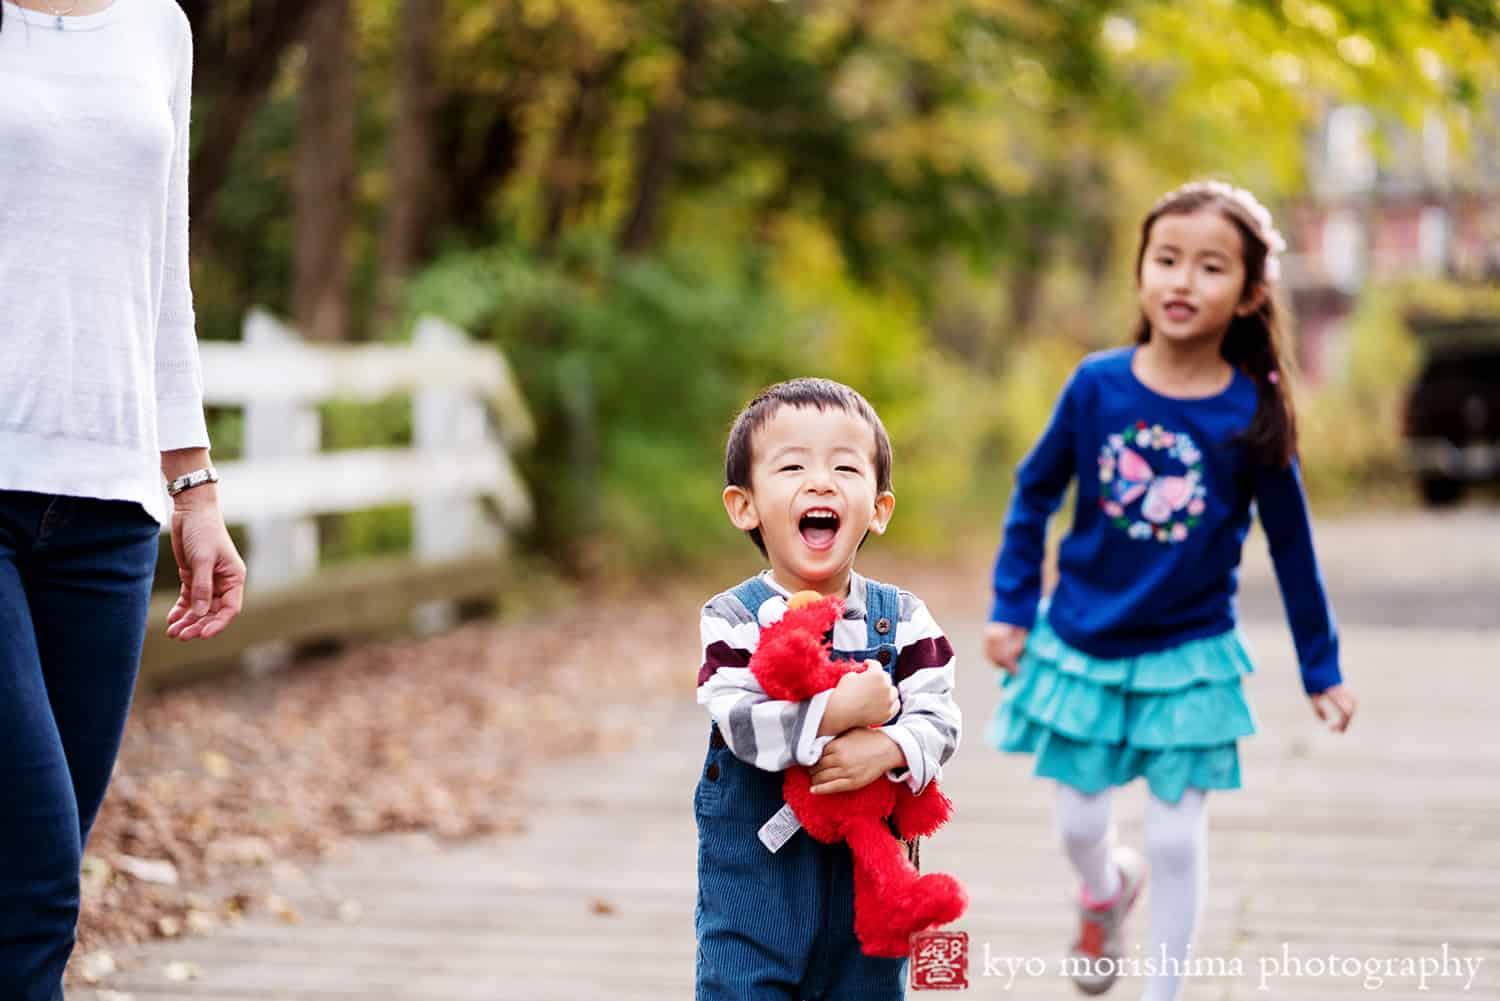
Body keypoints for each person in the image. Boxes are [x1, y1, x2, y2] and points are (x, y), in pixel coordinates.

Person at [983, 181, 1358, 1001]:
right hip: (1082, 639)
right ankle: (1105, 890)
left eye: (1211, 266)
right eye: (1167, 260)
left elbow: (1292, 546)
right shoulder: (1096, 385)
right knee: (1080, 824)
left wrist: (1320, 665)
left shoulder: (1249, 410)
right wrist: (1012, 606)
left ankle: (1164, 990)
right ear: (1142, 272)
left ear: (1251, 292)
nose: (1183, 281)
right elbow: (1033, 492)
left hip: (1189, 657)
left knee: (1179, 838)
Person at [0, 0, 245, 995]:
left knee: (30, 874)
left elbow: (162, 274)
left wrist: (192, 484)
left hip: (107, 509)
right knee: (39, 870)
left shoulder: (157, 26)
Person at [694, 378, 962, 1000]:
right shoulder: (733, 619)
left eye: (844, 467)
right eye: (791, 467)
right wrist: (840, 710)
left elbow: (940, 717)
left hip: (867, 883)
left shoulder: (904, 619)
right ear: (745, 505)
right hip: (753, 886)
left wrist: (889, 748)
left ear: (878, 508)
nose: (820, 483)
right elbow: (738, 720)